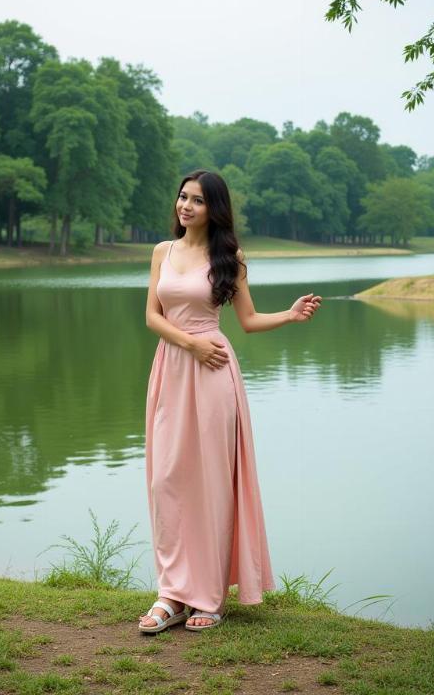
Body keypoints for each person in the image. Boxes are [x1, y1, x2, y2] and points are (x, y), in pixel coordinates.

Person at [139, 169, 321, 633]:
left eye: (197, 200)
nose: (185, 206)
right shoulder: (163, 251)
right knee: (166, 481)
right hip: (173, 368)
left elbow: (249, 319)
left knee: (211, 483)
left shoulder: (229, 257)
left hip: (214, 373)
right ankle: (171, 594)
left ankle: (209, 598)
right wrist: (190, 343)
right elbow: (152, 317)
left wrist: (291, 315)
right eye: (182, 197)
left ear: (213, 208)